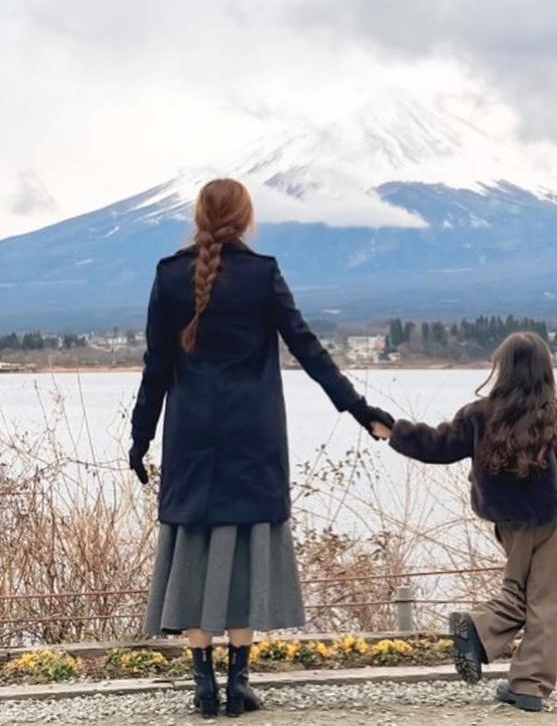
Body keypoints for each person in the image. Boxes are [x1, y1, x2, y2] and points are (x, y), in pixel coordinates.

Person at [129, 178, 393, 718]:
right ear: (246, 219)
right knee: (245, 553)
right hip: (253, 437)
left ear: (199, 216)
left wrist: (140, 437)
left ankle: (203, 687)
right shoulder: (263, 274)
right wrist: (360, 409)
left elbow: (156, 368)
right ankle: (238, 685)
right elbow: (310, 351)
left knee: (196, 548)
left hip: (191, 437)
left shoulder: (169, 275)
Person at [373, 332, 557, 713]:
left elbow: (437, 445)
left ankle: (504, 659)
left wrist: (395, 431)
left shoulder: (479, 416)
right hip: (548, 525)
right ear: (544, 372)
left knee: (520, 592)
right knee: (546, 602)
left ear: (504, 369)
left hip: (505, 523)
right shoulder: (556, 420)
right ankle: (511, 664)